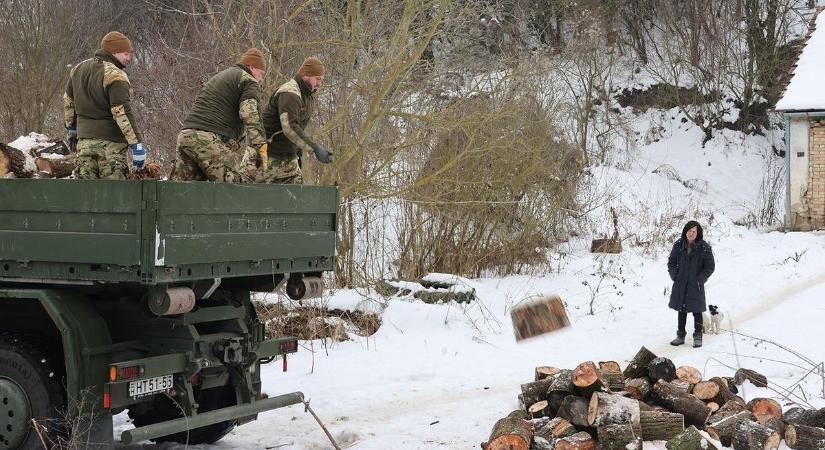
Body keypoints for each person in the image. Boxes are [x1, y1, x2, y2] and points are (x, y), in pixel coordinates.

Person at [171, 48, 268, 182]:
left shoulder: (222, 76)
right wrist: (260, 147)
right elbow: (249, 114)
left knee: (183, 193)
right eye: (262, 74)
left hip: (185, 135)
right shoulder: (249, 81)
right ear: (251, 67)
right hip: (207, 138)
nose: (261, 79)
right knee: (232, 189)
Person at [64, 31, 146, 179]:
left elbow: (69, 102)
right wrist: (136, 144)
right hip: (111, 148)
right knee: (113, 199)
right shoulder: (115, 74)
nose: (129, 58)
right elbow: (122, 112)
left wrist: (72, 130)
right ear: (113, 52)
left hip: (84, 146)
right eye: (126, 54)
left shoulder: (78, 69)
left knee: (86, 198)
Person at [257, 57, 333, 184]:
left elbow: (299, 129)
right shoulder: (290, 93)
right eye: (317, 79)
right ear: (306, 75)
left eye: (321, 79)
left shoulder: (308, 96)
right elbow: (290, 127)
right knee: (252, 197)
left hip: (288, 156)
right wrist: (314, 148)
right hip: (267, 154)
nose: (320, 83)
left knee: (297, 199)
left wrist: (298, 155)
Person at [667, 220, 715, 348]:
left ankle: (698, 336)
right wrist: (675, 276)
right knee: (681, 309)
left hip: (696, 283)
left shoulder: (704, 247)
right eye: (689, 230)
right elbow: (671, 262)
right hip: (681, 282)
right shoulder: (678, 245)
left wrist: (701, 278)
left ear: (698, 234)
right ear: (685, 231)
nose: (691, 233)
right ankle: (680, 335)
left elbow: (710, 266)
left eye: (694, 231)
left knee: (697, 310)